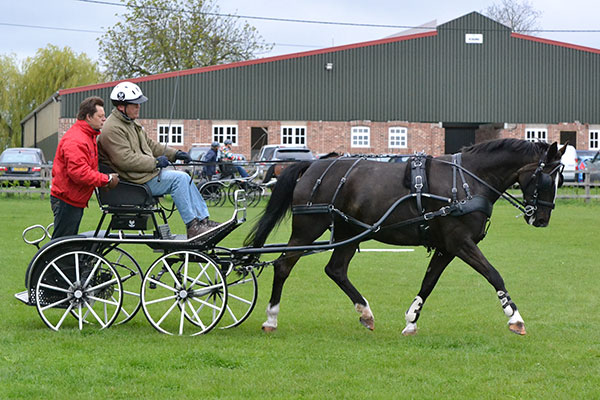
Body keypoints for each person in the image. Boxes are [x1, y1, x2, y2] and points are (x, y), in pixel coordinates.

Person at [97, 81, 220, 240]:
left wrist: (175, 154)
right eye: (135, 104)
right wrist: (155, 163)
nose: (139, 107)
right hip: (134, 181)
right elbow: (124, 160)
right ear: (122, 106)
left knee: (185, 178)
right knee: (179, 179)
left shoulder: (130, 122)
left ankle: (203, 221)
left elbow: (151, 145)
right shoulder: (112, 129)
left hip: (143, 175)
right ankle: (192, 226)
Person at [50, 96, 119, 239]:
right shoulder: (77, 139)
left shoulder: (88, 136)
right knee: (61, 246)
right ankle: (50, 262)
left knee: (65, 243)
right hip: (66, 200)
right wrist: (106, 179)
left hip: (73, 199)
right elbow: (79, 173)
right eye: (100, 116)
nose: (104, 119)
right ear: (88, 116)